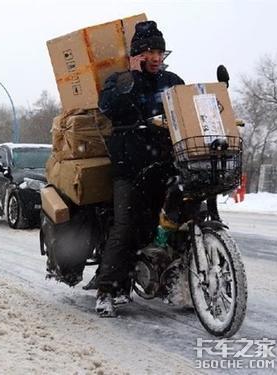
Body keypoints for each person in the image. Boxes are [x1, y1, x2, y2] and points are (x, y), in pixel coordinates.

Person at [95, 20, 185, 317]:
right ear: (137, 55)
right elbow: (107, 106)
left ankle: (178, 282)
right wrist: (132, 75)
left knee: (183, 217)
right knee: (126, 225)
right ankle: (107, 289)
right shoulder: (120, 80)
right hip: (131, 166)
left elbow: (188, 109)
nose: (157, 57)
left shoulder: (173, 81)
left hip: (166, 163)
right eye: (149, 51)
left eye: (160, 51)